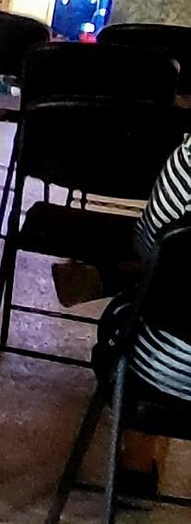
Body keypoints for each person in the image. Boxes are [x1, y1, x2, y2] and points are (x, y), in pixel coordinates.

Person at [83, 127, 191, 502]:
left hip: (170, 374)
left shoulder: (188, 163)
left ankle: (138, 463)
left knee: (141, 312)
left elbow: (150, 251)